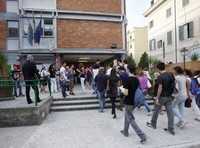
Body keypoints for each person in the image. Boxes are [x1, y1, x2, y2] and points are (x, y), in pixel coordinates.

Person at [120, 64, 147, 144]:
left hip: (128, 102)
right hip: (134, 101)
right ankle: (125, 131)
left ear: (128, 70)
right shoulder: (136, 80)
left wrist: (121, 90)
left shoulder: (127, 80)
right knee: (127, 116)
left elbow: (126, 93)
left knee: (131, 119)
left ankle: (142, 135)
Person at [146, 62, 175, 135]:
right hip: (169, 96)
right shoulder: (170, 75)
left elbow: (160, 88)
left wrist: (157, 98)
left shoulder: (160, 77)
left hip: (162, 96)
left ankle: (153, 124)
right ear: (164, 67)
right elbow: (173, 85)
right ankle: (170, 129)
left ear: (158, 68)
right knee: (170, 113)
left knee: (156, 110)